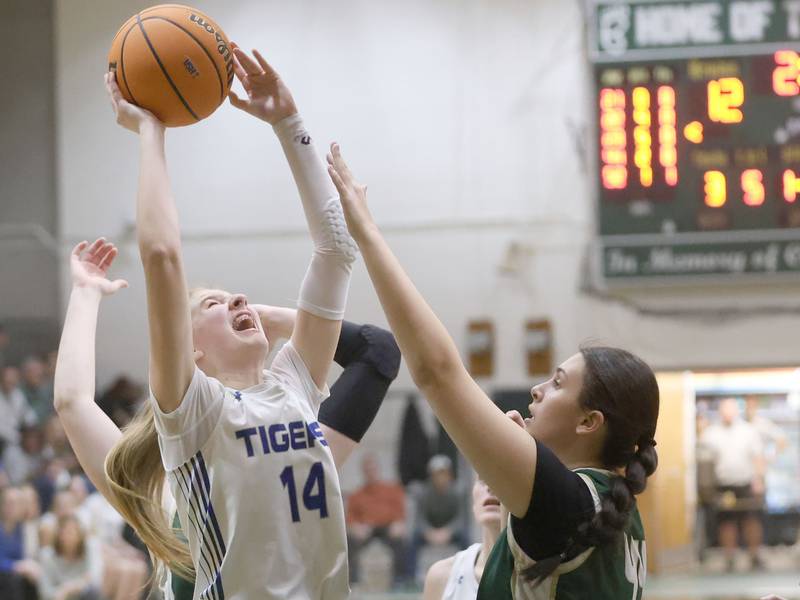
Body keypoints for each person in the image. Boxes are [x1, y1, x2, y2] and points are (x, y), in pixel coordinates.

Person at [327, 145, 659, 599]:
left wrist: (365, 232)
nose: (538, 389)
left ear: (588, 421)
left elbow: (437, 372)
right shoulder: (616, 512)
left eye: (558, 382)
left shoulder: (565, 502)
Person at [54, 235, 399, 598]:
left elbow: (379, 352)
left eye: (236, 301)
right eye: (212, 304)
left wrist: (267, 318)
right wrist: (85, 291)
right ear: (187, 351)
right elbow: (72, 403)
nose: (238, 302)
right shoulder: (163, 484)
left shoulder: (296, 430)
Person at [699, 398, 765, 571]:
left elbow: (757, 457)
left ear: (736, 411)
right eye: (724, 409)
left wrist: (758, 480)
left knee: (751, 520)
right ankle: (729, 557)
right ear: (720, 411)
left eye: (731, 409)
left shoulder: (748, 431)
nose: (727, 413)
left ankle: (754, 555)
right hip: (723, 485)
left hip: (746, 483)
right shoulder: (711, 433)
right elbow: (704, 462)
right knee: (726, 522)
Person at [424, 477, 502, 600]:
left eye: (503, 477)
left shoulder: (538, 580)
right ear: (473, 503)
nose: (489, 487)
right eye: (482, 478)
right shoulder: (441, 576)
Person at [346, 454, 408, 588]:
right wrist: (355, 527)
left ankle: (399, 579)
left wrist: (398, 523)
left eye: (373, 469)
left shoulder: (391, 489)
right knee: (349, 540)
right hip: (367, 528)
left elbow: (400, 511)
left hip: (387, 527)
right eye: (367, 470)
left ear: (378, 470)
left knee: (400, 541)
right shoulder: (357, 494)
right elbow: (350, 517)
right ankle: (353, 580)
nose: (371, 473)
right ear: (363, 472)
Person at [409, 455, 467, 580]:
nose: (441, 478)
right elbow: (420, 519)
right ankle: (410, 577)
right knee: (413, 539)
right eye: (437, 474)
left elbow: (460, 519)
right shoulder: (424, 493)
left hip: (449, 532)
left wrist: (448, 531)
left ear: (449, 474)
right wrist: (429, 532)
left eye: (443, 473)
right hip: (430, 531)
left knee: (465, 538)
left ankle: (467, 573)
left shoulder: (457, 492)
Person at [37, 515, 101, 600]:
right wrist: (62, 592)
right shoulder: (47, 555)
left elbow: (95, 579)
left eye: (71, 532)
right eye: (64, 532)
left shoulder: (89, 548)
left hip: (82, 596)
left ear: (80, 535)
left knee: (92, 592)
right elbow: (45, 591)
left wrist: (68, 588)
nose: (67, 536)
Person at [0, 486, 40, 600]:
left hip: (14, 576)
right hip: (6, 576)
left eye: (17, 503)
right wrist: (16, 566)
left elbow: (24, 557)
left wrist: (27, 567)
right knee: (15, 580)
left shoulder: (22, 528)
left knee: (31, 579)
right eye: (9, 503)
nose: (12, 507)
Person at [0, 367, 37, 454]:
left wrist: (32, 429)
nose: (10, 381)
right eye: (8, 378)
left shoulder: (17, 394)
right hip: (3, 439)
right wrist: (19, 438)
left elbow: (29, 415)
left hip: (17, 437)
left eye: (13, 379)